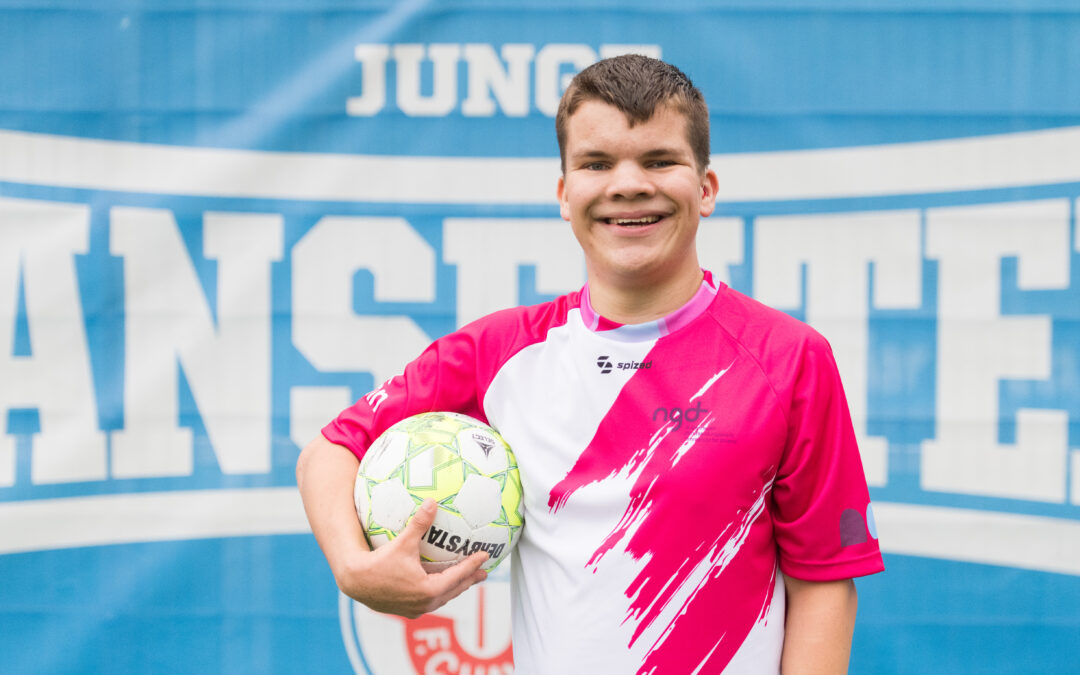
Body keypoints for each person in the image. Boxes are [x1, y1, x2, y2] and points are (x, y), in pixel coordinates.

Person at [297, 54, 884, 674]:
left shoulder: (788, 358)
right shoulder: (499, 353)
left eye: (659, 161)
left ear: (706, 188)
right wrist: (355, 569)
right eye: (596, 164)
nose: (627, 184)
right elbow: (330, 451)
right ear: (564, 193)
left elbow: (824, 581)